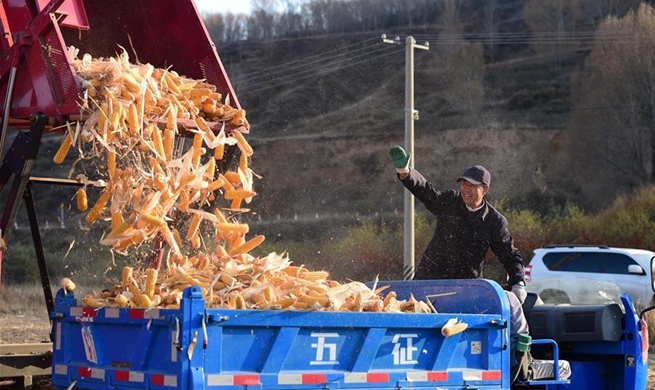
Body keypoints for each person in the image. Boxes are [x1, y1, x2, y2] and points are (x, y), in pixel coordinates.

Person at [388, 145, 527, 303]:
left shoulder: (494, 221)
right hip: (429, 280)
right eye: (464, 184)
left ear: (485, 189)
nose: (466, 189)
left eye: (472, 186)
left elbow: (509, 254)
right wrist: (406, 172)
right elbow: (426, 192)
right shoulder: (449, 202)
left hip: (465, 288)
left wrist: (518, 282)